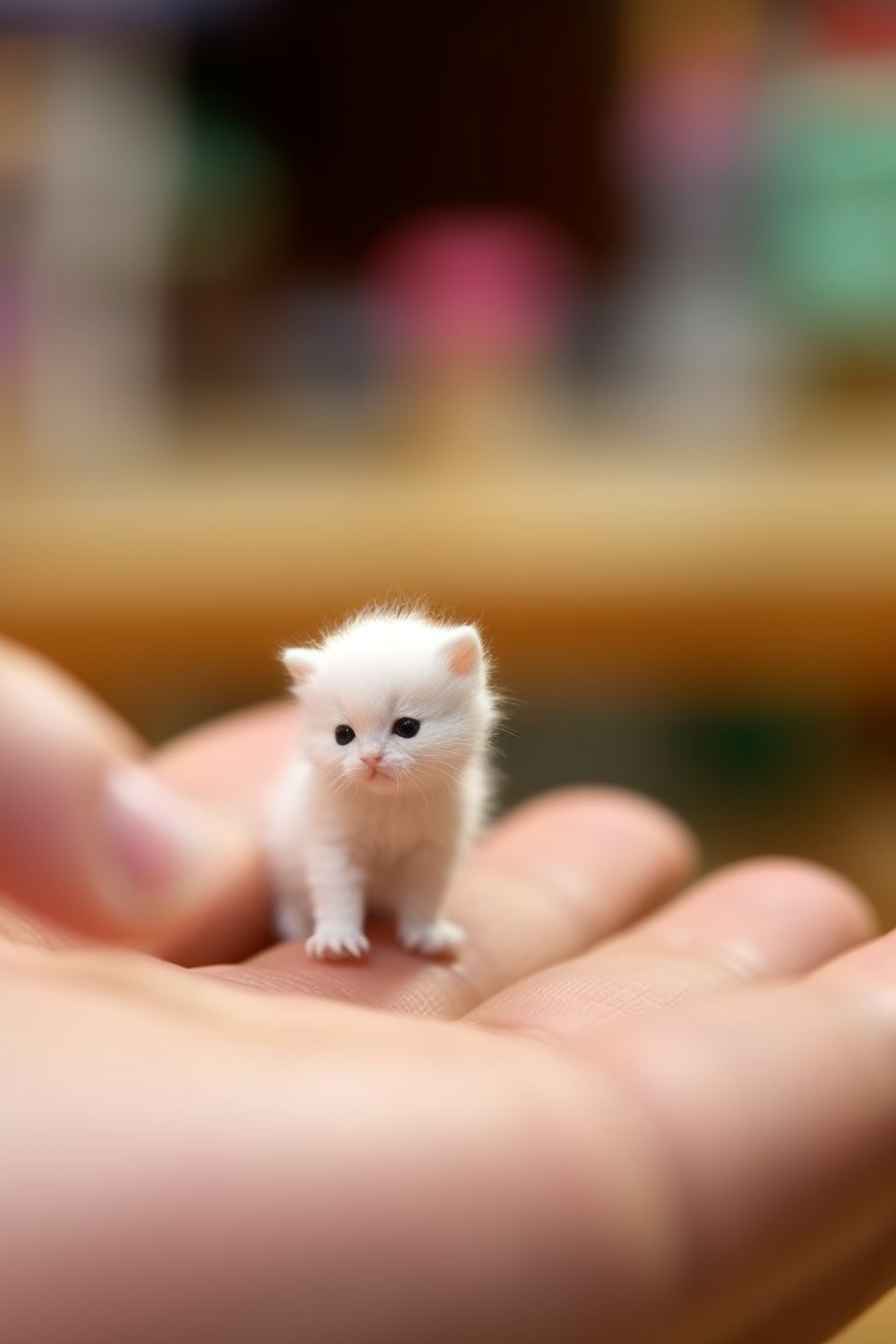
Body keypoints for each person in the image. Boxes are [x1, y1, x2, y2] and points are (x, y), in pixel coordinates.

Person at [1, 636, 894, 1344]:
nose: (374, 760)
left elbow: (434, 859)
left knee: (425, 869)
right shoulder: (329, 787)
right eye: (344, 737)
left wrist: (418, 920)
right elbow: (325, 851)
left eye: (405, 731)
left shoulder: (446, 785)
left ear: (467, 696)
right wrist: (320, 914)